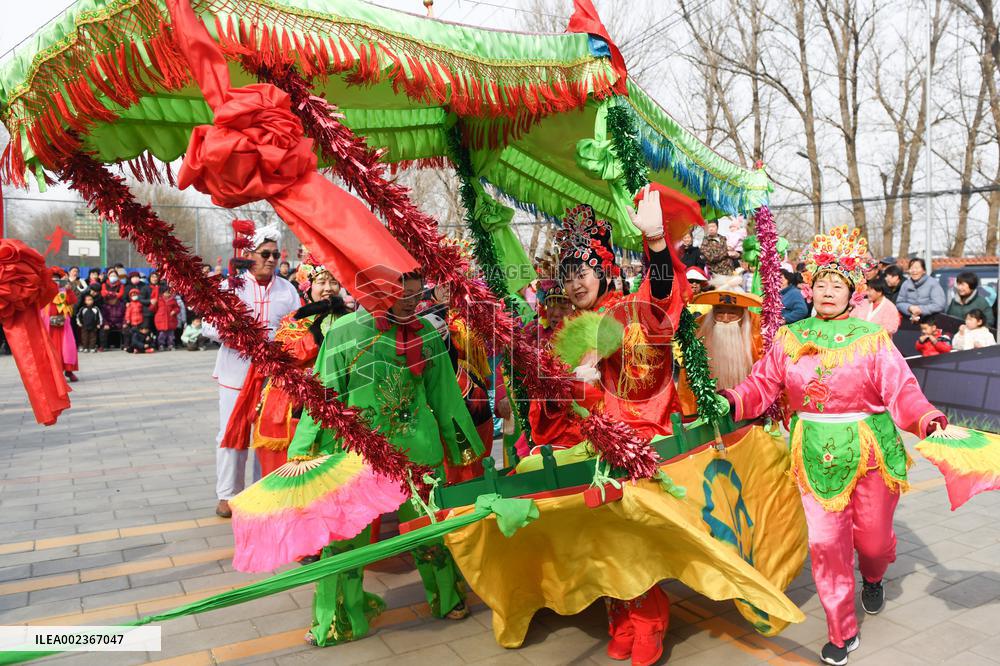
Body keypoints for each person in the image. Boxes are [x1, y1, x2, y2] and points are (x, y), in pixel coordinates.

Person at [721, 226, 948, 666]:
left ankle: (875, 575)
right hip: (813, 453)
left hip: (869, 450)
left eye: (836, 285)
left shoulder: (871, 339)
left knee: (874, 542)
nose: (827, 291)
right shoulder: (789, 337)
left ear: (852, 292)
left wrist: (927, 418)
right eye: (820, 284)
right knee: (826, 545)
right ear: (810, 288)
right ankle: (841, 631)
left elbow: (902, 390)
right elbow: (761, 385)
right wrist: (729, 400)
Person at [522, 186, 700, 666]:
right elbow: (550, 405)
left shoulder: (630, 309)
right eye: (568, 276)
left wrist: (658, 244)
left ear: (603, 272)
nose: (576, 284)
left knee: (628, 538)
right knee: (596, 540)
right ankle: (619, 617)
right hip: (584, 449)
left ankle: (650, 620)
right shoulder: (564, 329)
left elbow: (663, 296)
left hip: (631, 442)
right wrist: (557, 386)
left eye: (582, 272)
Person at [286, 270, 482, 646]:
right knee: (344, 540)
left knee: (431, 531)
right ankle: (337, 620)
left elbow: (444, 396)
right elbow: (324, 397)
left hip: (419, 453)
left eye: (415, 294)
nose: (411, 302)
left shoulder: (425, 333)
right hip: (359, 455)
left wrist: (462, 446)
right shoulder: (343, 333)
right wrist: (304, 449)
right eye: (401, 295)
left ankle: (448, 598)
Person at [201, 224, 300, 519]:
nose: (270, 259)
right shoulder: (230, 287)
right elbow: (208, 325)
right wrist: (238, 335)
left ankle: (262, 491)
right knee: (231, 434)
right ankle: (227, 495)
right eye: (264, 254)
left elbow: (297, 328)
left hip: (273, 377)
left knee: (268, 435)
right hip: (235, 375)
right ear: (249, 255)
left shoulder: (288, 290)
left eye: (274, 254)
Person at [220, 257, 348, 477]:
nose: (328, 288)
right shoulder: (293, 321)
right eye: (321, 282)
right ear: (308, 288)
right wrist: (318, 332)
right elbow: (288, 356)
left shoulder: (349, 320)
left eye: (334, 282)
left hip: (339, 404)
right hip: (293, 408)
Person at [691, 278, 763, 391]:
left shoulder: (759, 329)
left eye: (732, 313)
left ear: (743, 312)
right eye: (719, 312)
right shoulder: (699, 328)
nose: (725, 319)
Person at [42, 267, 79, 382]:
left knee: (67, 348)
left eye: (57, 280)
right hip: (48, 326)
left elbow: (73, 301)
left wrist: (68, 290)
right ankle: (52, 373)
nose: (55, 282)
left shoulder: (64, 290)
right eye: (52, 280)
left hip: (63, 326)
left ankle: (69, 370)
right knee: (51, 349)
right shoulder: (44, 291)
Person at [896, 258, 945, 323]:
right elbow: (899, 303)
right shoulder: (905, 284)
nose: (914, 270)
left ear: (924, 270)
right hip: (909, 321)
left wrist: (921, 310)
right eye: (911, 268)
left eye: (917, 268)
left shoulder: (933, 284)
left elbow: (939, 305)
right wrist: (910, 308)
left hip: (930, 322)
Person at [122, 288, 145, 353]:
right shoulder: (130, 304)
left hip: (140, 322)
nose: (134, 296)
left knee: (140, 335)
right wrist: (128, 320)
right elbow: (127, 313)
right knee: (133, 335)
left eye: (135, 294)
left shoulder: (140, 303)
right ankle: (133, 347)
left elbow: (143, 312)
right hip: (132, 323)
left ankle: (138, 347)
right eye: (132, 295)